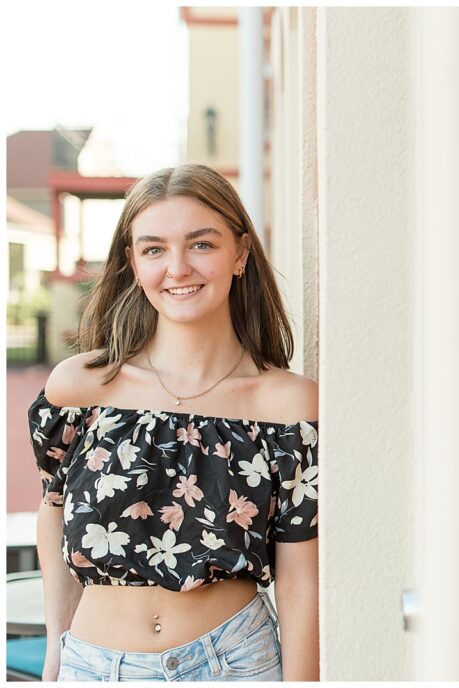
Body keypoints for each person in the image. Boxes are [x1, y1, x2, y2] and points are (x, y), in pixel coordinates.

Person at [29, 163, 319, 681]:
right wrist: (58, 646)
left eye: (202, 244)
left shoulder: (290, 408)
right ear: (133, 263)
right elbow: (53, 512)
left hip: (233, 662)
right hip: (93, 665)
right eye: (154, 249)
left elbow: (300, 580)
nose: (178, 268)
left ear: (241, 254)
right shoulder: (79, 389)